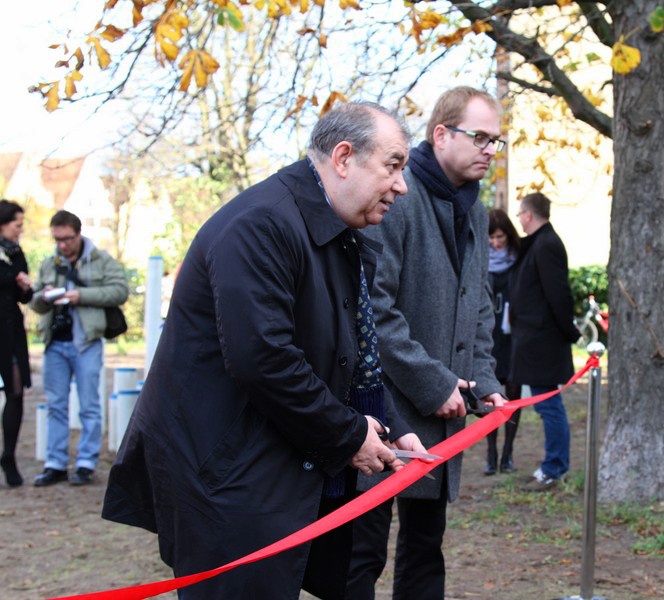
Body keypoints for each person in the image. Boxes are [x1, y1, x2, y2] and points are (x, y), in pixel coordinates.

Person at [102, 102, 429, 600]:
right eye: (392, 165)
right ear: (343, 158)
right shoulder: (262, 224)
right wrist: (348, 436)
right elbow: (265, 360)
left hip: (277, 469)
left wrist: (391, 428)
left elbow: (349, 352)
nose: (401, 185)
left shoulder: (335, 231)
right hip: (228, 480)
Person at [347, 86, 508, 600]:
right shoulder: (396, 195)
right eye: (479, 137)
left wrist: (484, 381)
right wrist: (435, 383)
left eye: (495, 141)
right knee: (362, 554)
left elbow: (478, 306)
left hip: (445, 414)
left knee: (425, 549)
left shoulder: (476, 211)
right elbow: (374, 310)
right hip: (384, 408)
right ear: (441, 135)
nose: (489, 149)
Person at [30, 210, 128, 487]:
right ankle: (56, 463)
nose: (63, 245)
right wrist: (45, 295)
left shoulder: (100, 259)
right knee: (56, 405)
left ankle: (86, 462)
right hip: (55, 343)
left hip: (86, 342)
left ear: (78, 233)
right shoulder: (50, 263)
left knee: (89, 406)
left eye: (67, 239)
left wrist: (80, 295)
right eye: (57, 239)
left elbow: (120, 290)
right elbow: (35, 302)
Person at [509, 192, 581, 489]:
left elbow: (558, 294)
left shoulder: (547, 244)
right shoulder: (539, 243)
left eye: (520, 214)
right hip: (537, 341)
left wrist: (569, 332)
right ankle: (553, 464)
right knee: (547, 405)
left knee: (549, 405)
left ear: (528, 214)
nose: (518, 220)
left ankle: (555, 467)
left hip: (544, 343)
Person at [484, 209, 522, 475]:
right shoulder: (479, 259)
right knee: (491, 396)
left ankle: (508, 453)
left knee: (514, 395)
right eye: (491, 238)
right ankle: (491, 452)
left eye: (500, 237)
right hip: (489, 337)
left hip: (514, 338)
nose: (496, 243)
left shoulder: (518, 261)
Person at [0, 200, 33, 487]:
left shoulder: (16, 251)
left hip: (11, 330)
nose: (20, 230)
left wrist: (24, 286)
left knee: (16, 390)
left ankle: (9, 455)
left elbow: (25, 294)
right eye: (17, 224)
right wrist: (13, 278)